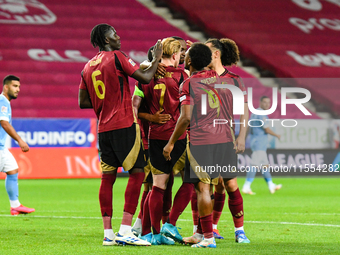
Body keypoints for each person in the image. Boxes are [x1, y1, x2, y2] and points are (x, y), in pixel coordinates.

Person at [78, 23, 162, 246]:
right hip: (124, 124)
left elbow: (82, 101)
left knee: (107, 178)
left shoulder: (86, 67)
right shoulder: (116, 56)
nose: (118, 37)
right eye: (114, 34)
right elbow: (144, 78)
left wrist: (104, 102)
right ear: (106, 40)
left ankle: (108, 234)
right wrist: (156, 59)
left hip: (103, 129)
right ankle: (125, 230)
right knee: (137, 173)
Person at [164, 42, 231, 248]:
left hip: (202, 140)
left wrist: (171, 142)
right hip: (222, 139)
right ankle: (201, 235)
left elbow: (185, 118)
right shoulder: (219, 80)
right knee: (207, 188)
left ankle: (208, 238)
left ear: (190, 60)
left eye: (187, 55)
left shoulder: (189, 83)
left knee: (202, 189)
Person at [133, 37, 188, 245]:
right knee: (191, 180)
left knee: (157, 186)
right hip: (177, 136)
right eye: (180, 53)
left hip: (154, 136)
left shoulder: (146, 76)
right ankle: (173, 225)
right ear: (175, 55)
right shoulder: (182, 75)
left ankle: (154, 234)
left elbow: (135, 107)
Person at [0, 75, 35, 216]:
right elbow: (4, 123)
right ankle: (15, 206)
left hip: (1, 147)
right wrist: (20, 140)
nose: (18, 89)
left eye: (19, 87)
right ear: (6, 87)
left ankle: (15, 206)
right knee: (12, 170)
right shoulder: (2, 101)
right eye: (15, 86)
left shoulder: (5, 102)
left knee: (12, 169)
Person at [242, 96, 282, 194]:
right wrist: (277, 135)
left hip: (256, 142)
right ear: (260, 102)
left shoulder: (254, 113)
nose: (267, 104)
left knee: (264, 165)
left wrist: (244, 138)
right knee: (254, 165)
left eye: (268, 102)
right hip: (259, 143)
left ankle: (271, 185)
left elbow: (248, 127)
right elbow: (266, 129)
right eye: (265, 102)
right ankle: (246, 186)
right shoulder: (261, 114)